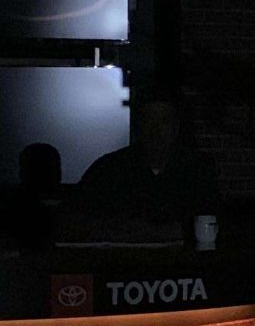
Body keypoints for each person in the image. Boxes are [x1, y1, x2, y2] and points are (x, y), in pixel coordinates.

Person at [75, 95, 223, 230]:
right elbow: (81, 217)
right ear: (139, 126)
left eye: (164, 121)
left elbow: (210, 217)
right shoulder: (108, 170)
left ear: (176, 127)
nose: (155, 129)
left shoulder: (198, 169)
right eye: (149, 120)